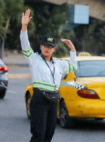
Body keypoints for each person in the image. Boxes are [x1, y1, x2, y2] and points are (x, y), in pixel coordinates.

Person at [20, 9, 77, 142]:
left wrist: (72, 50)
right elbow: (25, 46)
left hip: (53, 101)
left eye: (50, 46)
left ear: (54, 49)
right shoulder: (34, 59)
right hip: (39, 100)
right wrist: (24, 27)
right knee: (38, 135)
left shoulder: (58, 63)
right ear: (40, 47)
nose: (47, 48)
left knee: (48, 135)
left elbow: (73, 66)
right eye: (45, 45)